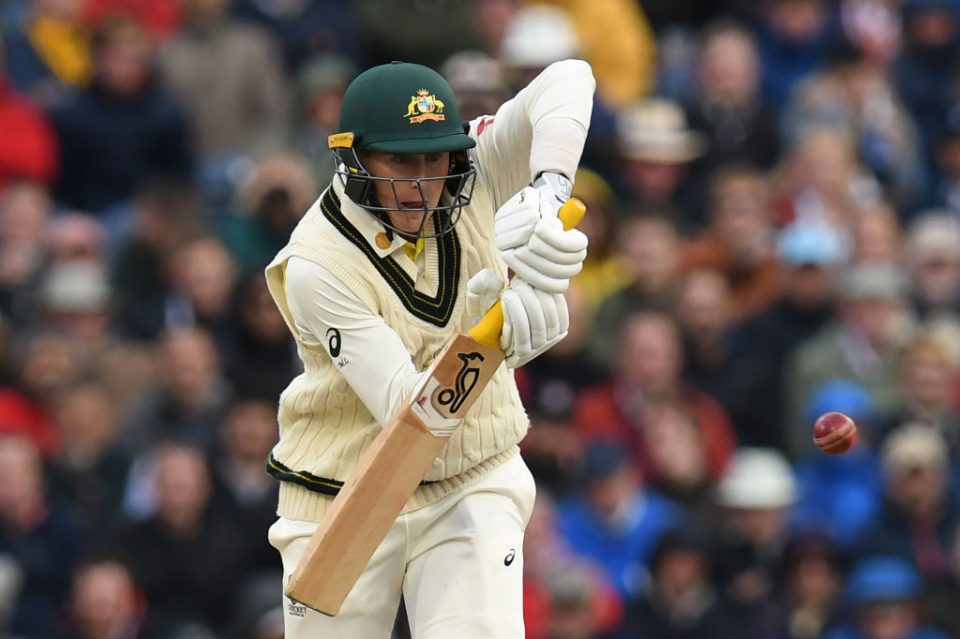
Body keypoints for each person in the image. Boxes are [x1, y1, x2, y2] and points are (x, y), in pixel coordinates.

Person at [263, 59, 593, 637]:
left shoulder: (478, 168)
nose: (421, 182)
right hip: (344, 491)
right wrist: (498, 334)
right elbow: (412, 412)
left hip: (472, 475)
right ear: (354, 157)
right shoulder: (318, 264)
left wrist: (549, 190)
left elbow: (571, 77)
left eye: (434, 159)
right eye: (400, 160)